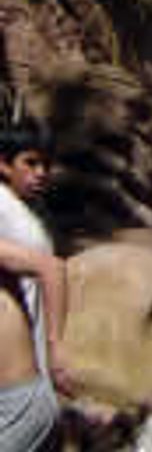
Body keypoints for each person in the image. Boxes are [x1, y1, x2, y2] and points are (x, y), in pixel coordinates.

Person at [0, 125, 73, 451]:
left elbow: (51, 269)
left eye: (45, 165)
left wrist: (56, 348)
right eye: (30, 163)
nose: (41, 173)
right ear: (4, 164)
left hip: (25, 378)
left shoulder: (16, 208)